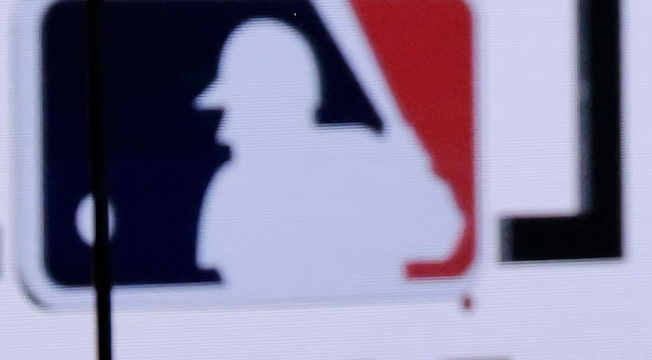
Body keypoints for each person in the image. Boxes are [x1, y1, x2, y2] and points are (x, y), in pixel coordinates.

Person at [190, 19, 463, 301]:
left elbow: (440, 236)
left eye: (239, 110)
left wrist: (411, 177)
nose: (225, 132)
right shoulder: (235, 187)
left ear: (278, 106)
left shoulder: (360, 157)